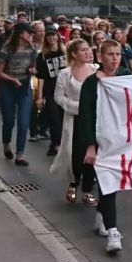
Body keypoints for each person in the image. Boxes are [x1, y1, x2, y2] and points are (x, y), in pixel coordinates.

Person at [74, 39, 131, 253]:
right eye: (110, 54)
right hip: (101, 140)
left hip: (121, 139)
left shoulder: (126, 76)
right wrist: (90, 146)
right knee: (108, 183)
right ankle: (113, 232)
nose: (115, 58)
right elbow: (86, 115)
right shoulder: (91, 83)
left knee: (112, 184)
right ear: (101, 57)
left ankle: (102, 216)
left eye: (117, 54)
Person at [49, 39, 99, 206]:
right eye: (83, 50)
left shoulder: (96, 70)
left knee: (92, 154)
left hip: (94, 119)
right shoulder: (65, 73)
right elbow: (58, 96)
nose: (88, 53)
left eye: (88, 50)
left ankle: (87, 190)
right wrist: (76, 107)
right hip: (75, 119)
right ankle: (73, 183)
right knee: (75, 154)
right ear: (74, 54)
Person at [0, 22, 37, 166]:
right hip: (9, 86)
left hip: (24, 87)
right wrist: (13, 80)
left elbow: (33, 67)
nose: (31, 35)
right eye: (28, 32)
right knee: (9, 120)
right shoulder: (7, 49)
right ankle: (6, 143)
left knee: (24, 123)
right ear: (20, 34)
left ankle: (20, 155)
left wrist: (32, 70)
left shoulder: (31, 49)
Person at [36, 26, 67, 157]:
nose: (51, 38)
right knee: (54, 119)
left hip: (66, 91)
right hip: (51, 91)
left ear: (57, 36)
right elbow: (41, 77)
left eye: (53, 35)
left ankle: (59, 144)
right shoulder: (42, 56)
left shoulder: (66, 53)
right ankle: (56, 145)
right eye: (48, 36)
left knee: (64, 119)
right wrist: (40, 96)